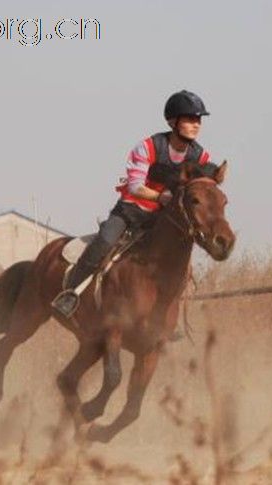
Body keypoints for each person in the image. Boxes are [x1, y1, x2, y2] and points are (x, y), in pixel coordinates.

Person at [51, 89, 214, 318]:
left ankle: (170, 318)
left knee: (181, 261)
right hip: (132, 210)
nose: (196, 124)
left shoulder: (202, 157)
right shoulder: (148, 147)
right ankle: (70, 295)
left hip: (164, 217)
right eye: (189, 119)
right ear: (173, 122)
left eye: (198, 120)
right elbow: (135, 186)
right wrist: (159, 197)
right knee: (104, 242)